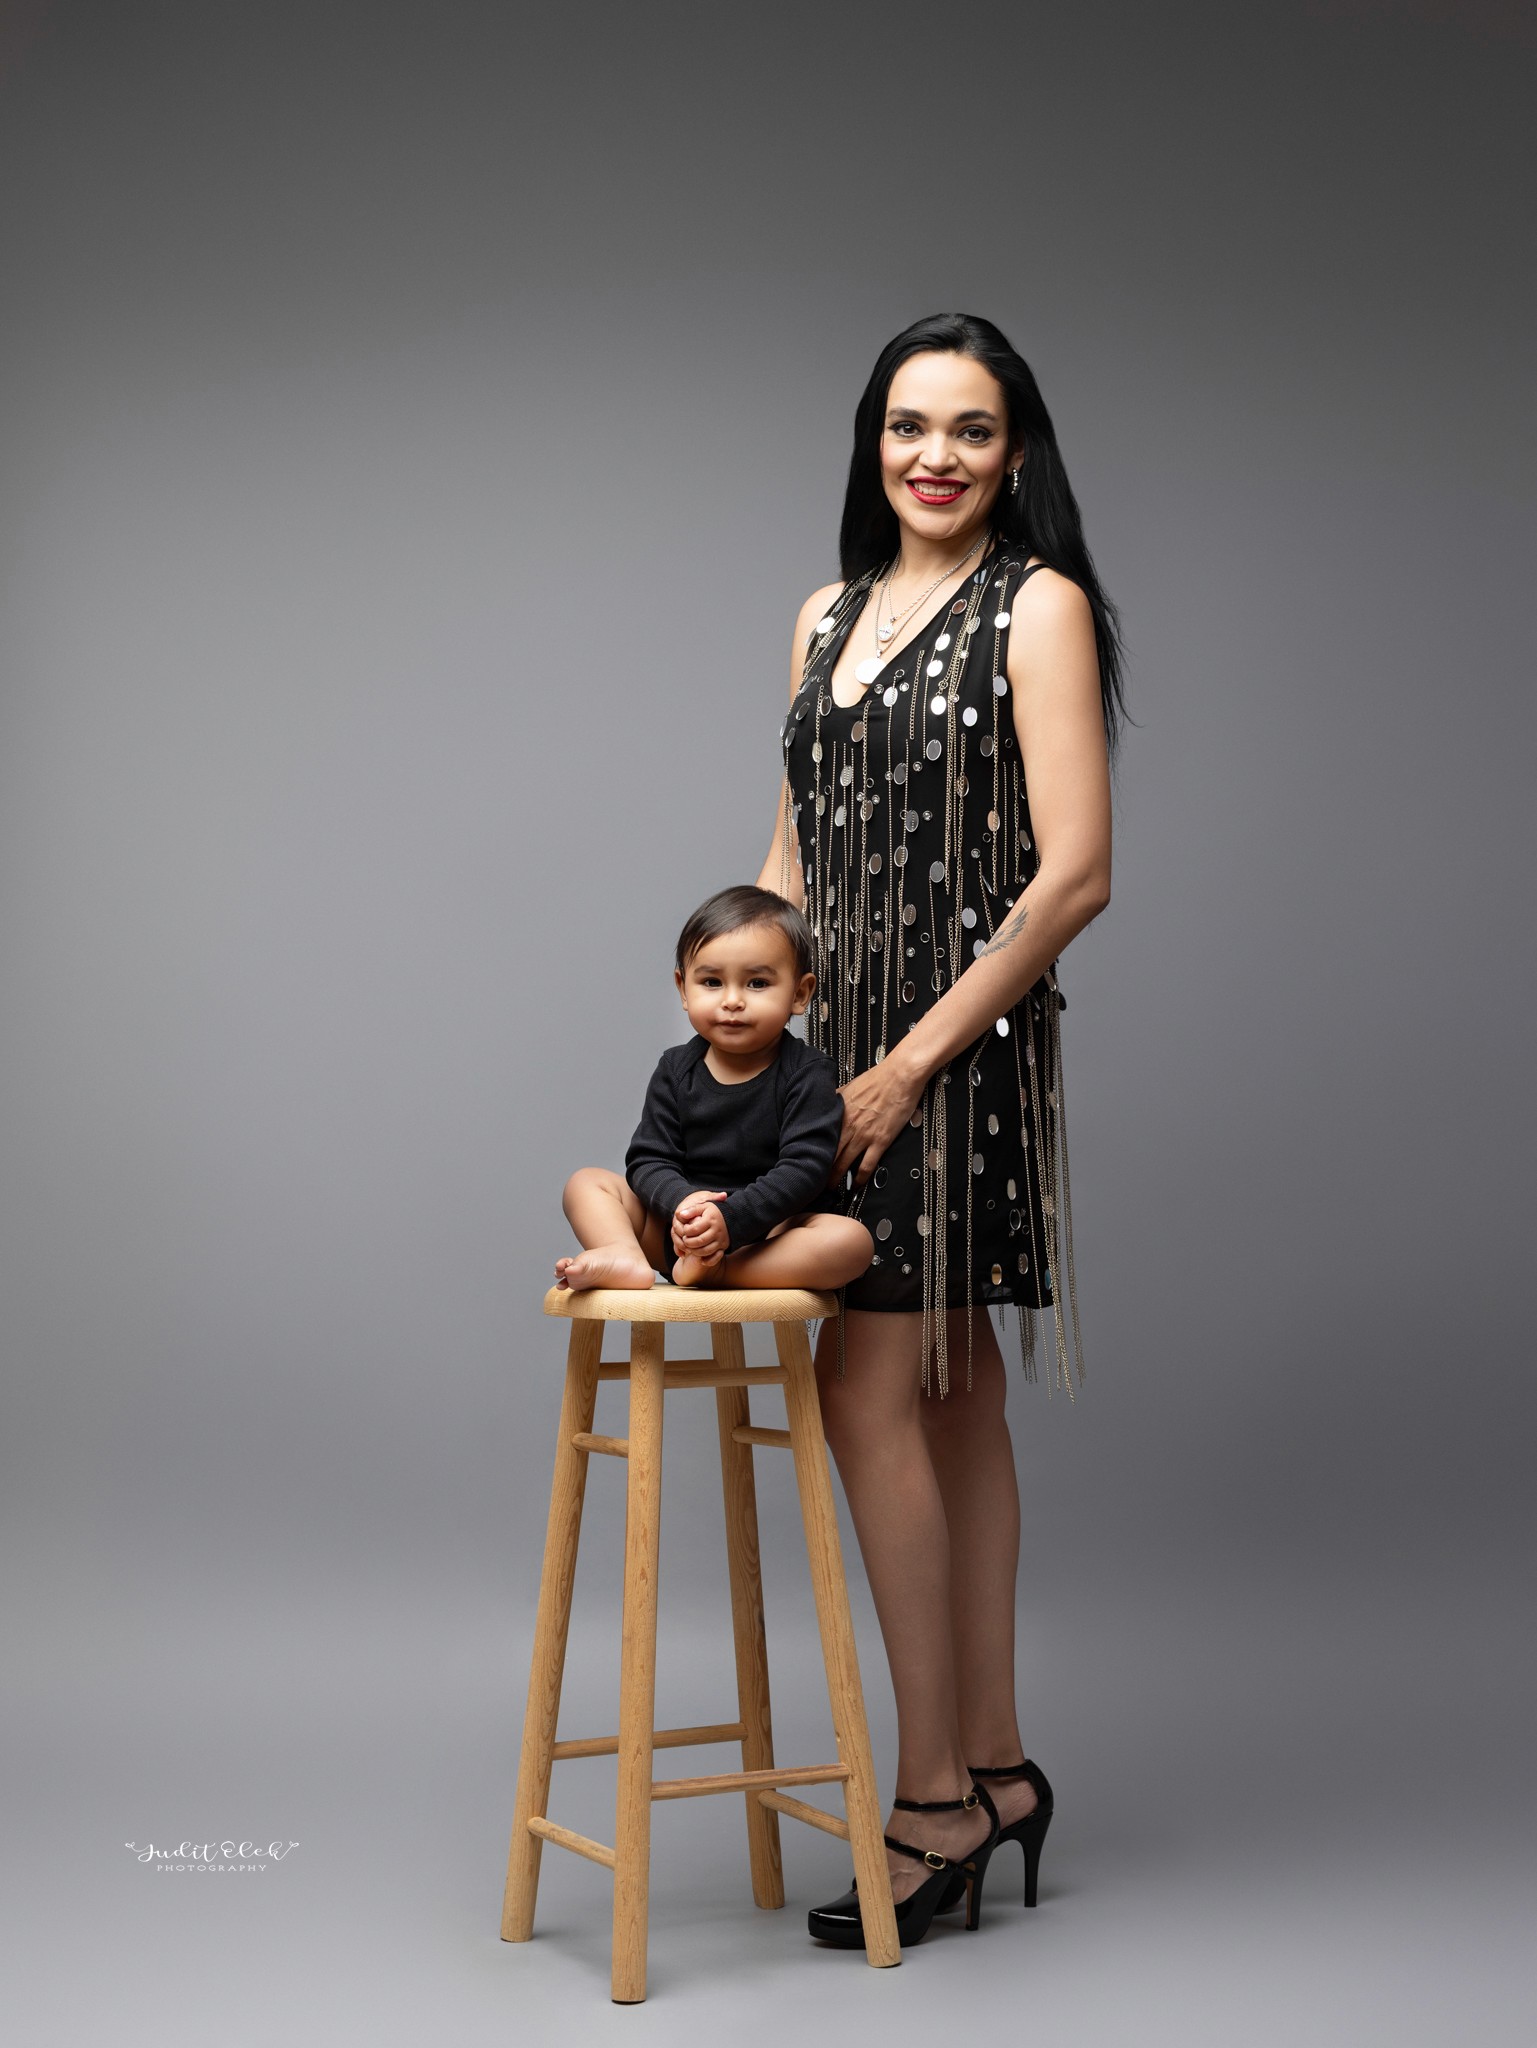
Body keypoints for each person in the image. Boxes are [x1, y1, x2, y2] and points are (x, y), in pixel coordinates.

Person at [758, 314, 1126, 1948]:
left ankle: (930, 1801)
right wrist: (750, 1045)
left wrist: (902, 1063)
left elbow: (1073, 876)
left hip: (951, 1055)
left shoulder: (1034, 606)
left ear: (1016, 455)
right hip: (826, 1057)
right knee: (952, 1389)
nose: (934, 455)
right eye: (909, 425)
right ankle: (994, 1764)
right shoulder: (821, 613)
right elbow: (786, 847)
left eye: (969, 430)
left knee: (879, 1387)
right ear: (873, 440)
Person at [554, 886, 875, 1294]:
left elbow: (803, 1170)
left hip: (763, 1241)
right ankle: (625, 1255)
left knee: (850, 1242)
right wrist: (686, 1206)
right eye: (711, 982)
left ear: (799, 993)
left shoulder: (807, 1073)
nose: (733, 1001)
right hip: (679, 1233)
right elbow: (649, 1159)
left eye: (757, 983)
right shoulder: (676, 1069)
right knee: (586, 1183)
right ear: (683, 989)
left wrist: (730, 1220)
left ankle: (722, 1273)